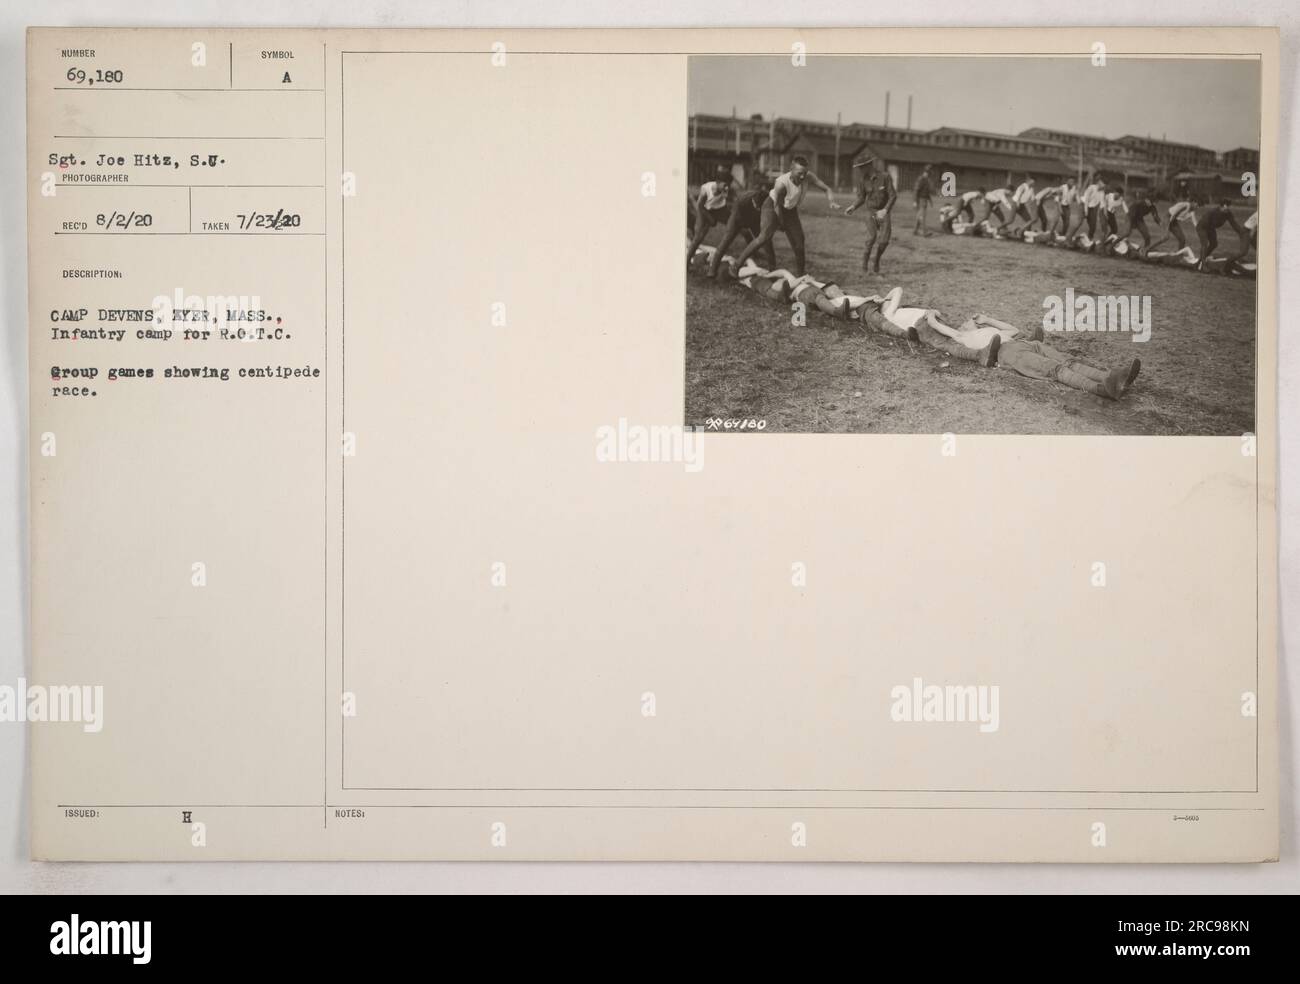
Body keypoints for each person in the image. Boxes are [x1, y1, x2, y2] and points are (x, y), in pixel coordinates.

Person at [732, 156, 837, 278]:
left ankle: (801, 275)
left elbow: (827, 189)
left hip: (790, 210)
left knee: (799, 242)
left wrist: (831, 201)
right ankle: (736, 265)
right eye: (799, 174)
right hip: (772, 206)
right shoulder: (782, 183)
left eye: (804, 173)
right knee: (763, 237)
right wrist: (781, 223)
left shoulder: (808, 176)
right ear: (791, 170)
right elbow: (777, 207)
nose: (802, 177)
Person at [998, 337, 1140, 400]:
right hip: (1008, 351)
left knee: (1067, 361)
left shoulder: (983, 324)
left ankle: (1111, 378)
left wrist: (987, 319)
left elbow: (1012, 330)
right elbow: (982, 355)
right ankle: (1102, 390)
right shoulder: (974, 337)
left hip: (1024, 342)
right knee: (1054, 368)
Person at [705, 175, 776, 277]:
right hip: (737, 220)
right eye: (756, 206)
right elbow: (734, 214)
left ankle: (772, 268)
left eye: (759, 208)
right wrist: (742, 226)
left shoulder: (767, 201)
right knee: (725, 241)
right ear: (753, 201)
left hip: (754, 222)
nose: (757, 208)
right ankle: (712, 271)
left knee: (766, 241)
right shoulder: (744, 199)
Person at [845, 153, 897, 273]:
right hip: (871, 211)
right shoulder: (862, 180)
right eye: (858, 167)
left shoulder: (885, 177)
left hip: (883, 211)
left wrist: (885, 210)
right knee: (872, 237)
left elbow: (893, 196)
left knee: (884, 241)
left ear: (869, 165)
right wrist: (853, 206)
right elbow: (862, 197)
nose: (860, 170)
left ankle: (877, 260)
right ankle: (864, 264)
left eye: (861, 167)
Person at [685, 166, 734, 268]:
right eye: (725, 184)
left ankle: (752, 250)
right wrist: (710, 219)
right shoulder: (705, 189)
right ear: (717, 181)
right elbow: (699, 206)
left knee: (736, 224)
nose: (727, 187)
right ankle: (687, 262)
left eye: (728, 185)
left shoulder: (725, 188)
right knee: (698, 238)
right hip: (705, 210)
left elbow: (724, 201)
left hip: (720, 209)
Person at [1195, 200, 1249, 272]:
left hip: (1211, 227)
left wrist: (1242, 232)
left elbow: (1234, 224)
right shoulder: (1212, 212)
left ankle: (1200, 260)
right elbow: (1204, 223)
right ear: (1221, 206)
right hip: (1202, 227)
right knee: (1204, 244)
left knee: (1214, 244)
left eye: (1228, 207)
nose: (1227, 209)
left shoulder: (1228, 213)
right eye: (1225, 207)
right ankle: (1203, 266)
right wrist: (1209, 234)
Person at [1125, 191, 1164, 256]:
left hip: (1139, 219)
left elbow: (1155, 216)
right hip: (1130, 217)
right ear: (1147, 200)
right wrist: (1132, 224)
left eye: (1154, 203)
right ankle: (1122, 245)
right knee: (1127, 233)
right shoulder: (1138, 203)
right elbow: (1131, 214)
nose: (1154, 204)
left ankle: (1146, 250)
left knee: (1147, 236)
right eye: (1153, 202)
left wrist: (1160, 223)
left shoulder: (1152, 206)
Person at [913, 164, 935, 236]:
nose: (929, 175)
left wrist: (930, 201)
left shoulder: (926, 180)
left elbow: (927, 192)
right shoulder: (921, 179)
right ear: (926, 172)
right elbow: (916, 190)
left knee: (920, 215)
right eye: (928, 173)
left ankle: (915, 231)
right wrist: (915, 201)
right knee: (922, 216)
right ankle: (924, 232)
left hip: (924, 199)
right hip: (921, 199)